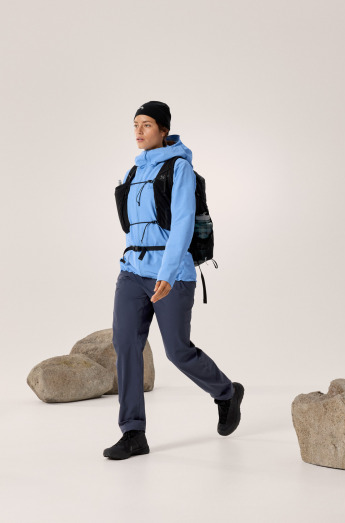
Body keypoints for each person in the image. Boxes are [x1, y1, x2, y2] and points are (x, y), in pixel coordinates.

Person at [103, 101, 244, 460]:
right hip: (133, 271)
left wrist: (166, 273)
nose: (139, 131)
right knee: (126, 345)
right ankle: (133, 432)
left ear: (164, 130)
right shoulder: (133, 171)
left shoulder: (179, 167)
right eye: (135, 124)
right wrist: (130, 264)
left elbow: (182, 222)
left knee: (177, 351)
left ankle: (226, 392)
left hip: (172, 273)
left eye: (147, 125)